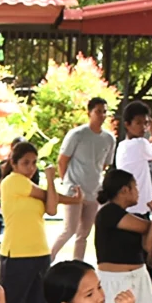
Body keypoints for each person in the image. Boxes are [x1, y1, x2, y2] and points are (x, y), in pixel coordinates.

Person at [0, 141, 69, 303]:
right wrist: (52, 180)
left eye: (33, 163)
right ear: (13, 163)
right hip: (17, 254)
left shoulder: (31, 184)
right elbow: (51, 199)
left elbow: (51, 208)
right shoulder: (12, 181)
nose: (30, 167)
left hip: (39, 253)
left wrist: (49, 180)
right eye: (25, 163)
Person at [90, 169, 152, 303]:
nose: (138, 191)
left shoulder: (132, 216)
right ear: (124, 190)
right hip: (114, 281)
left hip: (136, 277)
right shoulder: (110, 212)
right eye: (135, 187)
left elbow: (149, 242)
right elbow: (146, 227)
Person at [52, 98, 115, 260]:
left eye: (104, 111)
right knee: (70, 229)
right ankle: (48, 258)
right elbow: (62, 160)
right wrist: (68, 182)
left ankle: (77, 264)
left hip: (94, 191)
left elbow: (104, 165)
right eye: (98, 111)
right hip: (74, 189)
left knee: (84, 233)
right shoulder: (77, 135)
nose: (102, 115)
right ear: (89, 113)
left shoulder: (109, 139)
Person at [115, 101, 152, 219]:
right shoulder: (140, 143)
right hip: (140, 207)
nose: (143, 127)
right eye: (138, 123)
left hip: (126, 204)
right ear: (127, 124)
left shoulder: (122, 145)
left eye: (145, 123)